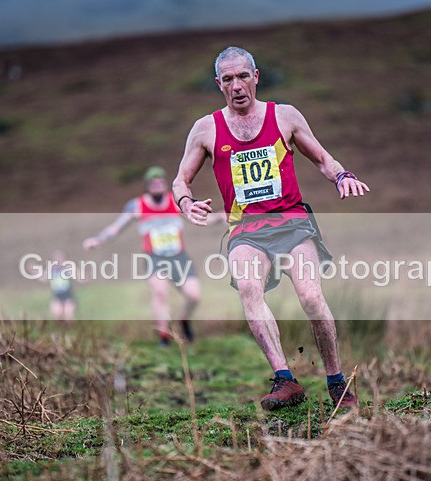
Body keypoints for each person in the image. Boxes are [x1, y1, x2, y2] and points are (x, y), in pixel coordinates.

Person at [172, 46, 370, 411]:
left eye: (243, 76)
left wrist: (342, 176)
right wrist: (186, 203)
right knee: (249, 287)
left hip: (293, 221)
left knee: (311, 297)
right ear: (219, 84)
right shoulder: (205, 129)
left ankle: (337, 383)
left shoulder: (285, 116)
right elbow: (180, 181)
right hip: (245, 228)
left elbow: (324, 159)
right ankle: (285, 379)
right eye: (228, 79)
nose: (237, 85)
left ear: (256, 77)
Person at [84, 166, 200, 346]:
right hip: (155, 258)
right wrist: (98, 240)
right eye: (152, 183)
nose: (157, 186)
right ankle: (164, 336)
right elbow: (116, 227)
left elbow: (199, 215)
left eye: (160, 182)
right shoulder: (137, 205)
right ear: (147, 186)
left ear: (165, 184)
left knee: (193, 296)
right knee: (160, 293)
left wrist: (223, 218)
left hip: (179, 257)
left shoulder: (175, 201)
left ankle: (184, 321)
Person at [48, 250, 76, 323]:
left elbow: (79, 276)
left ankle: (69, 331)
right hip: (57, 296)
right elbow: (42, 277)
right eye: (56, 259)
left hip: (68, 296)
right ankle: (59, 332)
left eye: (60, 258)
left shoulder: (68, 269)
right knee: (57, 314)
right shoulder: (51, 270)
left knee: (68, 315)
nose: (58, 261)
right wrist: (32, 271)